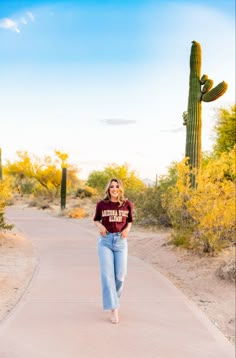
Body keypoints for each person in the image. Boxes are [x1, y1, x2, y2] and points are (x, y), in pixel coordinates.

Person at [93, 178, 133, 324]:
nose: (114, 189)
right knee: (107, 275)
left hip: (121, 242)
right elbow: (96, 219)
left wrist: (127, 230)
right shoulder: (102, 204)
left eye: (116, 186)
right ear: (108, 189)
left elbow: (129, 221)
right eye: (111, 187)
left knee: (121, 275)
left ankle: (113, 299)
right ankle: (114, 308)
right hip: (105, 242)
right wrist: (100, 227)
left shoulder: (127, 204)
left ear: (120, 189)